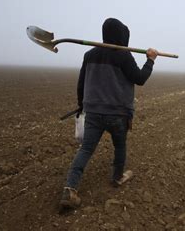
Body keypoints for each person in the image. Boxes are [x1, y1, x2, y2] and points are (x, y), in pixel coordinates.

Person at [60, 18, 158, 208]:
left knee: (86, 149)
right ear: (122, 35)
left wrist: (81, 105)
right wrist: (150, 60)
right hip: (118, 115)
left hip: (93, 113)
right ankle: (117, 177)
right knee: (119, 146)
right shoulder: (124, 56)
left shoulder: (90, 55)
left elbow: (81, 83)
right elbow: (140, 79)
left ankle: (69, 189)